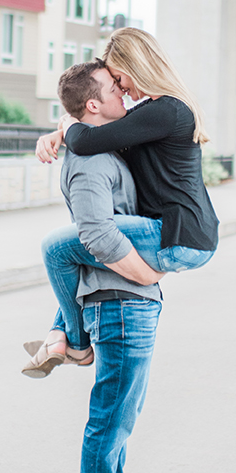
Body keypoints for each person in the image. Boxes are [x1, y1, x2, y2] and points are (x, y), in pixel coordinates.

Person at [24, 60, 166, 473]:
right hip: (117, 302)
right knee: (109, 419)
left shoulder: (101, 145)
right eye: (113, 87)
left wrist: (60, 129)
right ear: (92, 103)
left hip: (129, 301)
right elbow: (95, 234)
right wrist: (147, 274)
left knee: (122, 417)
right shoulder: (89, 162)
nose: (123, 93)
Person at [28, 28, 219, 363]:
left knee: (57, 249)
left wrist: (66, 125)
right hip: (185, 232)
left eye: (120, 79)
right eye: (114, 84)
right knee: (77, 247)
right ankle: (59, 337)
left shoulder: (166, 111)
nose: (123, 90)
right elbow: (100, 130)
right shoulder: (153, 114)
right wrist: (60, 131)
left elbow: (86, 140)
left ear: (136, 66)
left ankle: (75, 343)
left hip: (178, 234)